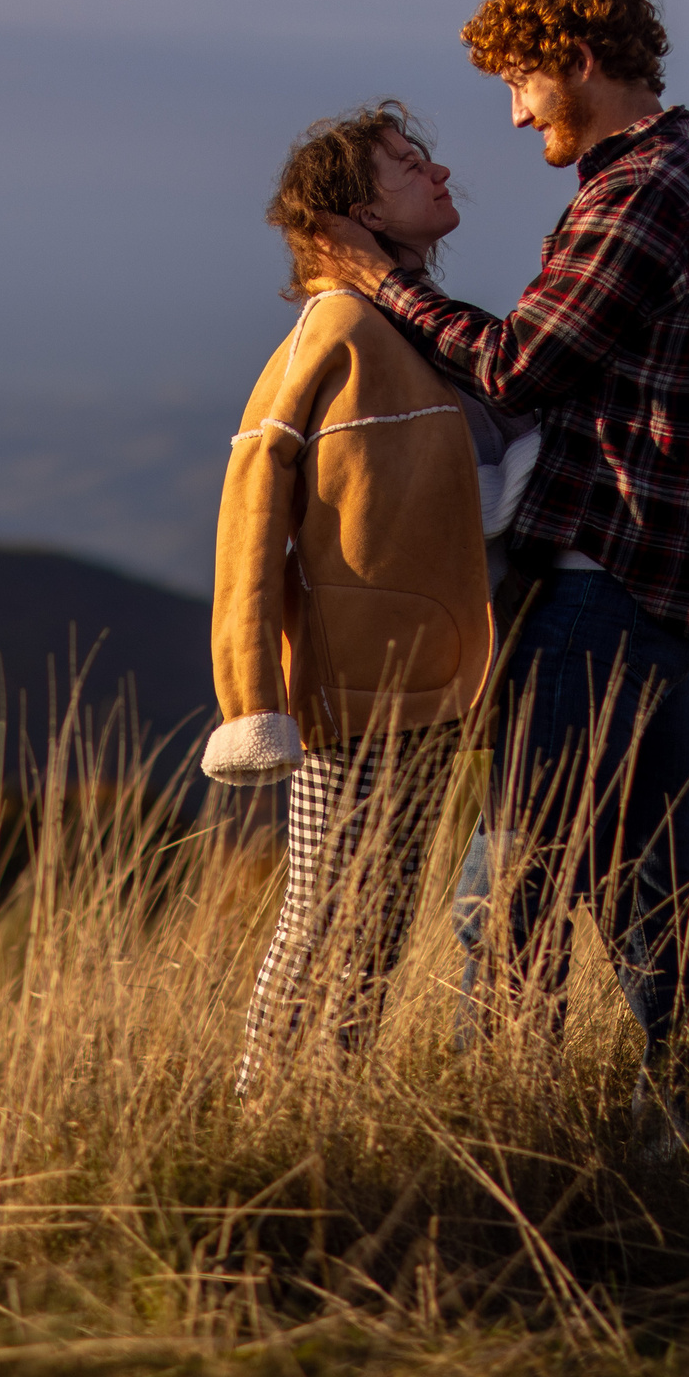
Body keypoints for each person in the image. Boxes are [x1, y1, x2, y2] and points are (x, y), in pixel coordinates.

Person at [306, 0, 689, 1142]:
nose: (512, 119)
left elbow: (523, 362)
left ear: (567, 56)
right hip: (645, 593)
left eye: (516, 82)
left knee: (506, 890)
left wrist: (384, 283)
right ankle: (688, 1145)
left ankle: (500, 1148)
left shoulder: (643, 190)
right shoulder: (662, 185)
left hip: (599, 587)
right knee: (650, 892)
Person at [201, 101, 509, 1093]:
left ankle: (328, 1112)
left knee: (373, 926)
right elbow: (251, 507)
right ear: (358, 216)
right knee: (324, 916)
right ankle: (260, 1119)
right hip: (355, 695)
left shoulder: (419, 331)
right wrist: (253, 706)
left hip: (433, 691)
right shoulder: (332, 330)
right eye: (408, 165)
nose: (440, 172)